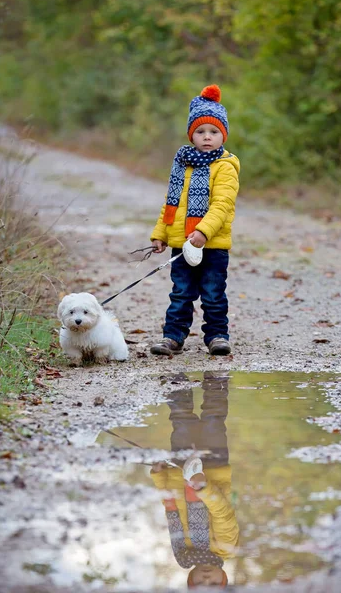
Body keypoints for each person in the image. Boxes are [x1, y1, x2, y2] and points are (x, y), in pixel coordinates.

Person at [150, 84, 240, 357]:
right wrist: (160, 234)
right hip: (183, 244)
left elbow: (222, 205)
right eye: (200, 132)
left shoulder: (225, 166)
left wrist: (203, 231)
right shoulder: (183, 163)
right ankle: (173, 337)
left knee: (213, 294)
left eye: (213, 132)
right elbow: (171, 203)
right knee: (181, 293)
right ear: (192, 135)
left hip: (212, 245)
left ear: (222, 135)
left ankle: (217, 336)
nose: (207, 137)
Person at [150, 372, 238, 588]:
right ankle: (216, 381)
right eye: (214, 584)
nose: (206, 578)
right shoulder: (226, 548)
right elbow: (223, 514)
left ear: (191, 579)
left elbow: (169, 506)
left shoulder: (182, 549)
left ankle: (177, 383)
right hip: (214, 467)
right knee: (213, 422)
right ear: (223, 578)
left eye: (200, 583)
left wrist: (159, 475)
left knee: (181, 423)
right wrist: (203, 487)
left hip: (179, 470)